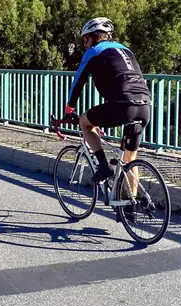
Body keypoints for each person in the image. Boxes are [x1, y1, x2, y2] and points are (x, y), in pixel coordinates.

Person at [64, 17, 151, 192]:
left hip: (122, 106)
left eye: (85, 39)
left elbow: (78, 82)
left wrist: (69, 109)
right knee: (130, 158)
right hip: (145, 105)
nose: (85, 44)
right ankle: (132, 203)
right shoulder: (126, 50)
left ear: (94, 37)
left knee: (84, 122)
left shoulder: (94, 51)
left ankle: (103, 167)